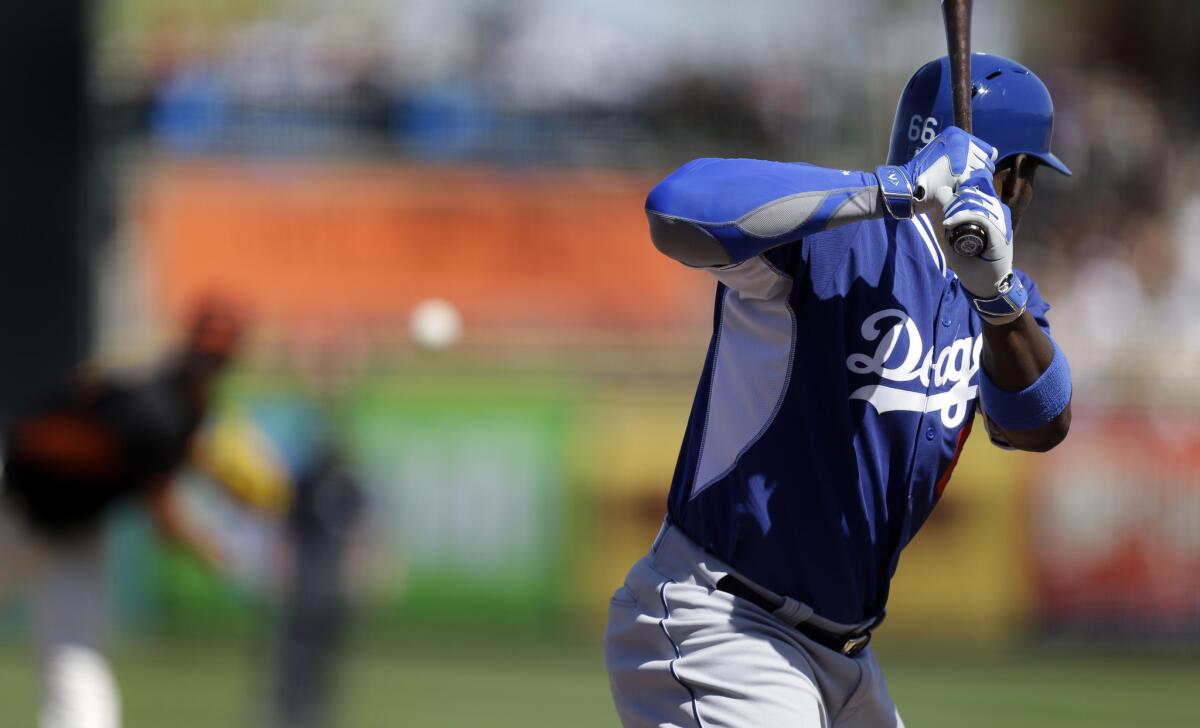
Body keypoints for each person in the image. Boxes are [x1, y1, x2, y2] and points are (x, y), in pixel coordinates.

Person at [604, 53, 1073, 727]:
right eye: (1031, 176)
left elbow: (1040, 425)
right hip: (727, 624)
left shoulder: (998, 291)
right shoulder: (834, 233)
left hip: (847, 659)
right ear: (1013, 172)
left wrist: (996, 298)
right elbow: (673, 209)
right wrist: (892, 188)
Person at [0, 300, 245, 728]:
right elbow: (162, 509)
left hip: (74, 532)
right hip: (16, 512)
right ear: (191, 344)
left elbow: (167, 455)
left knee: (76, 668)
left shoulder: (182, 404)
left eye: (220, 355)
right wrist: (212, 548)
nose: (212, 361)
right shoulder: (154, 406)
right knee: (75, 663)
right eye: (208, 351)